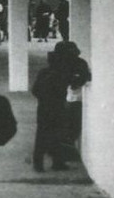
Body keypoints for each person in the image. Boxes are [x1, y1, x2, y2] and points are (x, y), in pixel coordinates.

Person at [31, 43, 73, 171]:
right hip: (57, 108)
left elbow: (35, 90)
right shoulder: (62, 74)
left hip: (43, 108)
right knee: (58, 135)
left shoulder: (43, 72)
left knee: (41, 136)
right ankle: (57, 162)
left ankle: (38, 164)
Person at [58, 40, 92, 160]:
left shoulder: (74, 64)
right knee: (70, 126)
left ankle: (66, 152)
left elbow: (84, 77)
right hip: (70, 99)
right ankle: (66, 151)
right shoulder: (72, 63)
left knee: (70, 126)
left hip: (74, 99)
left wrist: (74, 81)